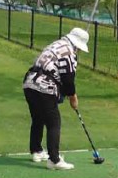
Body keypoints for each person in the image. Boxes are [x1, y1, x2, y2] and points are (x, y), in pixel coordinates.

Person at [23, 27, 90, 170]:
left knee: (38, 118)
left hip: (29, 83)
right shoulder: (68, 52)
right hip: (44, 87)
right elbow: (68, 79)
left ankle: (37, 151)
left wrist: (64, 95)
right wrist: (73, 98)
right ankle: (54, 160)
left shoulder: (55, 44)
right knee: (54, 122)